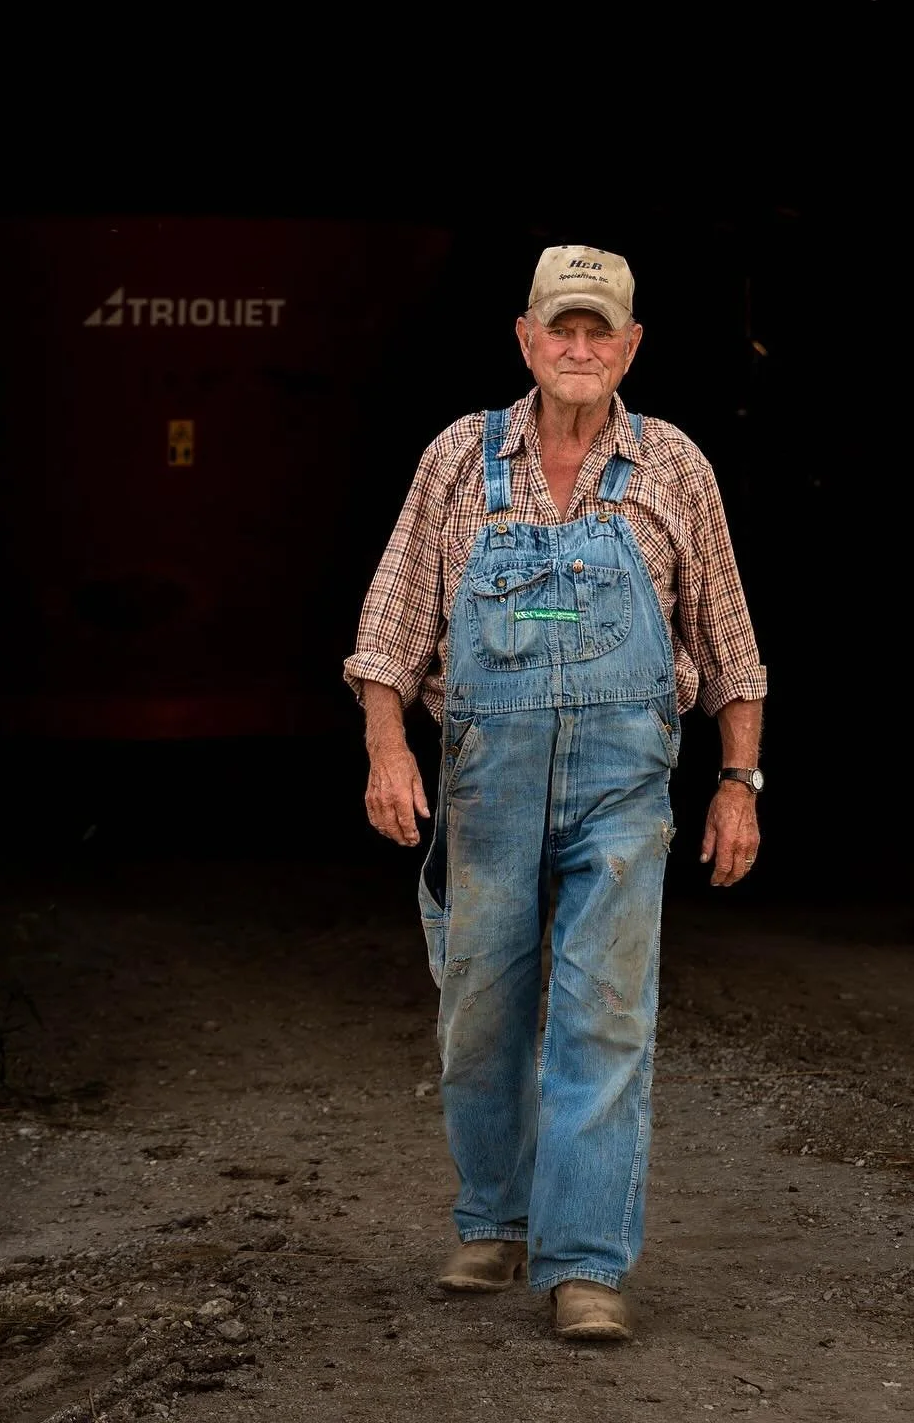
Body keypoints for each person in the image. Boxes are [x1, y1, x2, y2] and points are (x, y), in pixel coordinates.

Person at [343, 242, 767, 1344]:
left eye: (600, 332)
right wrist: (388, 751)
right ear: (527, 340)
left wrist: (738, 783)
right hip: (487, 780)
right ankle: (496, 1216)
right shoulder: (459, 457)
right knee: (478, 1012)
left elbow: (731, 648)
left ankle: (584, 1263)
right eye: (561, 330)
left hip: (622, 785)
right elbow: (389, 627)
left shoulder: (674, 467)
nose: (580, 348)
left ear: (631, 346)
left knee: (605, 1013)